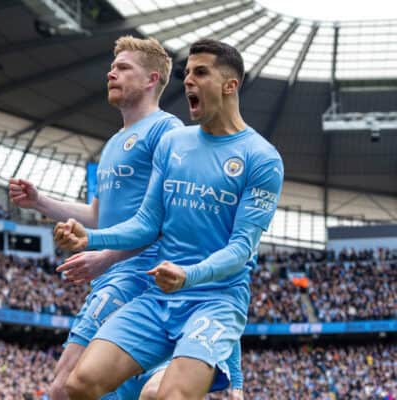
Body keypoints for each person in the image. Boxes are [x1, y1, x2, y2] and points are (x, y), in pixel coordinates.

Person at [55, 38, 284, 400]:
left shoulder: (261, 158)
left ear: (230, 85)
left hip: (216, 300)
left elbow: (242, 248)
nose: (188, 81)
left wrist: (188, 275)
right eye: (187, 73)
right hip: (159, 296)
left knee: (167, 398)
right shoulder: (174, 144)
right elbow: (147, 222)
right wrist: (91, 238)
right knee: (78, 385)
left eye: (201, 72)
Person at [9, 35, 184, 400]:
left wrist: (105, 257)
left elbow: (169, 218)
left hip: (139, 275)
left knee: (64, 384)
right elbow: (97, 215)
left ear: (152, 80)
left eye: (123, 68)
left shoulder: (166, 131)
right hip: (113, 276)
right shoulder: (113, 143)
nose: (111, 74)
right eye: (111, 67)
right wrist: (41, 202)